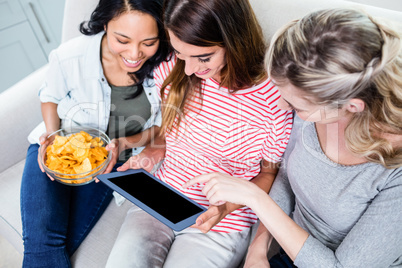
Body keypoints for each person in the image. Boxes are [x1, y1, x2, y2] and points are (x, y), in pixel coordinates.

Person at [185, 8, 402, 268]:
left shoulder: (393, 175)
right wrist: (258, 248)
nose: (281, 107)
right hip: (288, 253)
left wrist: (255, 197)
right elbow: (287, 176)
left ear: (352, 106)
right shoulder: (317, 111)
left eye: (295, 105)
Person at [105, 0, 293, 267]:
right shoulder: (171, 68)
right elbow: (171, 134)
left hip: (221, 219)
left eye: (203, 57)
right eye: (181, 54)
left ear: (235, 40)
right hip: (160, 195)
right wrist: (150, 153)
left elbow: (268, 173)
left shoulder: (274, 100)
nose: (190, 69)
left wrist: (225, 207)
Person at [20, 0, 171, 267]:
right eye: (122, 39)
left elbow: (163, 126)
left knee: (60, 246)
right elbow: (50, 97)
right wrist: (53, 135)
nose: (135, 54)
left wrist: (124, 143)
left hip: (111, 163)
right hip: (57, 151)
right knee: (41, 246)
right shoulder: (70, 55)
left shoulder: (167, 66)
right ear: (105, 24)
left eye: (149, 42)